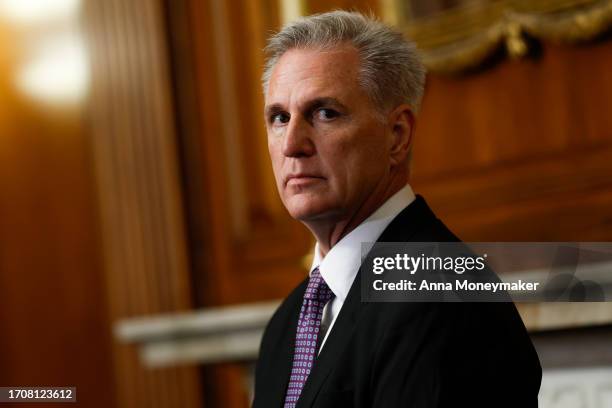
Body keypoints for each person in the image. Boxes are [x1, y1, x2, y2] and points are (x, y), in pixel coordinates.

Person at [253, 10, 541, 408]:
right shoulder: (288, 322)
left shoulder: (444, 296)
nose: (292, 144)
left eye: (325, 113)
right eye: (280, 118)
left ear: (397, 136)